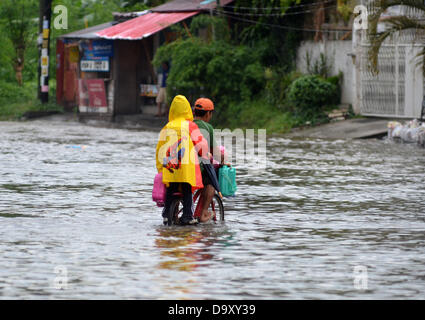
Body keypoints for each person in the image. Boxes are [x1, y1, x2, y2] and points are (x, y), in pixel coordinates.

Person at [156, 95, 210, 225]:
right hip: (186, 165)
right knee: (187, 189)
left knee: (171, 188)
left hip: (170, 165)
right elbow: (200, 144)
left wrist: (159, 167)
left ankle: (165, 213)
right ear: (187, 110)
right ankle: (187, 216)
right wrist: (205, 154)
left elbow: (159, 149)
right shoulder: (190, 126)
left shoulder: (167, 126)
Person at [193, 98, 229, 223]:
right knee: (211, 183)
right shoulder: (208, 127)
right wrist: (223, 161)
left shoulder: (187, 124)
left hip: (184, 166)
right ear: (208, 114)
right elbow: (215, 152)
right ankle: (203, 213)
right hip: (199, 169)